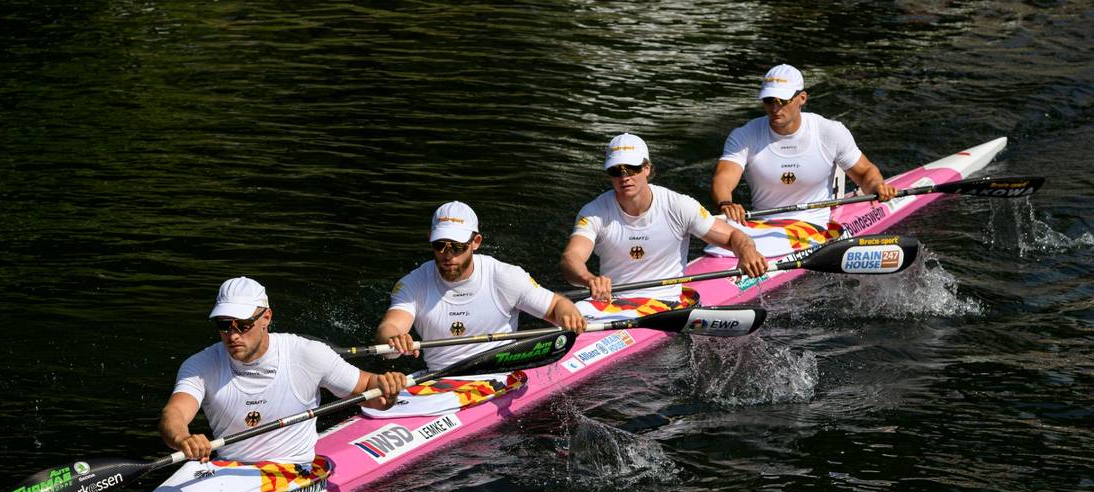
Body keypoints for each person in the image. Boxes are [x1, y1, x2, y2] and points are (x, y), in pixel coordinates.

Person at [159, 277, 407, 466]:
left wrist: (389, 387)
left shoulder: (307, 354)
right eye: (224, 325)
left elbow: (373, 394)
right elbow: (175, 412)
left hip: (294, 469)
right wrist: (184, 439)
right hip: (229, 472)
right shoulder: (201, 365)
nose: (233, 335)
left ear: (266, 317)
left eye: (243, 325)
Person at [375, 200, 587, 370]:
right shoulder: (413, 283)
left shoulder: (504, 277)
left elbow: (556, 306)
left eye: (457, 246)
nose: (448, 255)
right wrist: (394, 340)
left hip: (502, 371)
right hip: (441, 378)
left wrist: (569, 313)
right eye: (440, 245)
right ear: (430, 238)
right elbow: (390, 327)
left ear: (476, 242)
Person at [710, 63, 898, 255]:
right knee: (714, 246)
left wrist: (876, 187)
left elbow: (865, 172)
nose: (775, 108)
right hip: (761, 224)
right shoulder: (745, 135)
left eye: (782, 100)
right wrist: (726, 203)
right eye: (768, 101)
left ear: (802, 98)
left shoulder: (829, 132)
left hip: (814, 223)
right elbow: (723, 177)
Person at [560, 133, 768, 305]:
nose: (624, 177)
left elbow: (733, 235)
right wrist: (589, 280)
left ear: (647, 169)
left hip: (666, 303)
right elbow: (571, 258)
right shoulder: (594, 212)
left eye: (631, 168)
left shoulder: (678, 205)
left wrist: (747, 251)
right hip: (613, 302)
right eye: (616, 171)